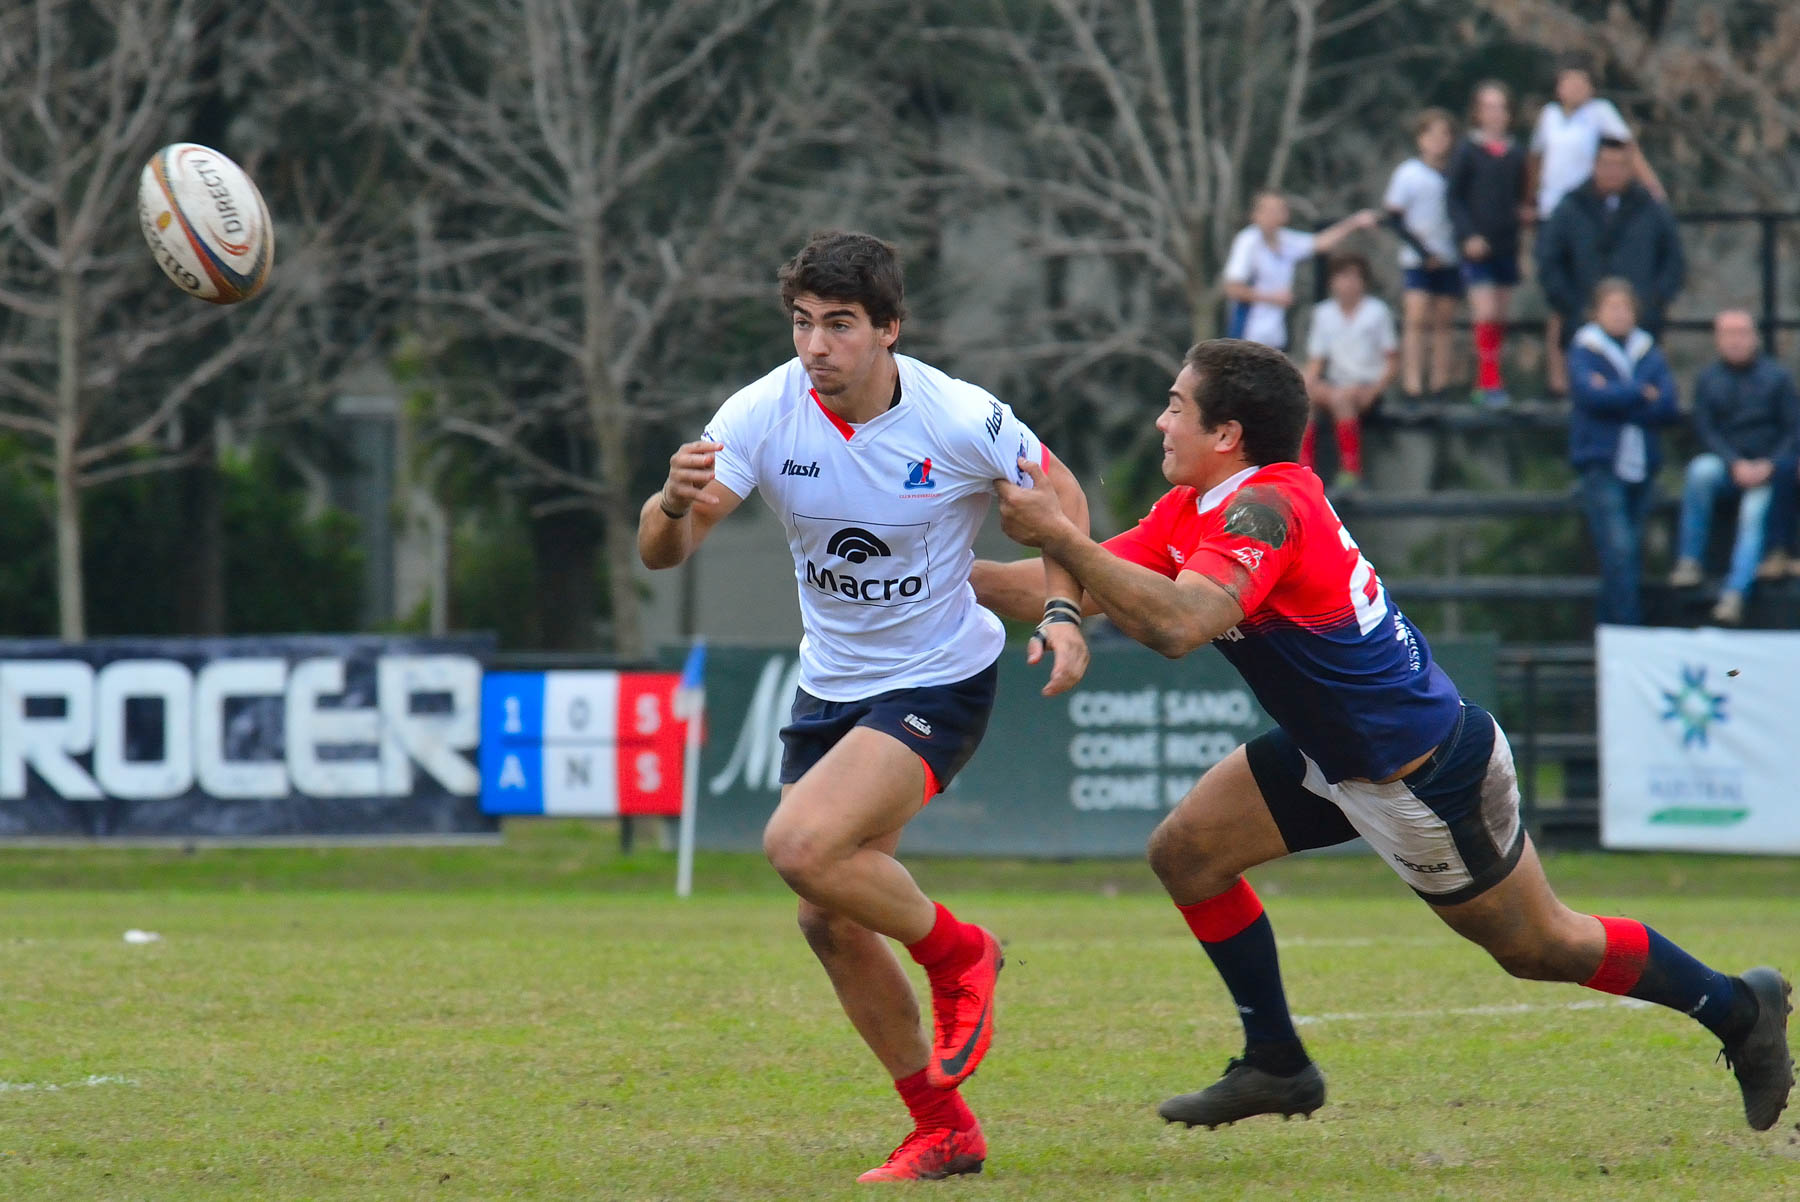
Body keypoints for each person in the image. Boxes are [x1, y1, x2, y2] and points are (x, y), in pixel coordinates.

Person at [970, 337, 1793, 1138]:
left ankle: (1737, 1007)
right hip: (1337, 755)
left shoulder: (1268, 508)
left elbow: (1182, 622)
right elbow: (1079, 585)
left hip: (1422, 775)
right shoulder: (1196, 506)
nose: (1160, 423)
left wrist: (1061, 535)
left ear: (1227, 435)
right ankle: (1277, 1062)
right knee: (1186, 852)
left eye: (1175, 407)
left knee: (1540, 945)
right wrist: (918, 577)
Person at [638, 232, 1092, 1183]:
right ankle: (944, 1127)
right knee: (826, 917)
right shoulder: (762, 413)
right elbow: (661, 554)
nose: (816, 347)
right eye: (803, 324)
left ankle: (963, 953)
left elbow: (1064, 500)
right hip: (828, 688)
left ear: (889, 329)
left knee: (800, 846)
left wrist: (1059, 609)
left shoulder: (960, 418)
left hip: (939, 680)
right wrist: (672, 506)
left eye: (839, 326)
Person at [1529, 53, 1666, 394]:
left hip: (1589, 209)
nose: (1574, 88)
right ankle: (1558, 375)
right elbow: (1536, 159)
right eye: (1568, 81)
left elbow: (1627, 150)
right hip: (1555, 209)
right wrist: (1528, 199)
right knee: (1558, 299)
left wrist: (1652, 187)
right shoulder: (1548, 116)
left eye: (1581, 81)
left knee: (1597, 292)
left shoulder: (1601, 113)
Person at [1668, 310, 1800, 625]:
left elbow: (1792, 429)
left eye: (1742, 332)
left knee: (1754, 513)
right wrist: (1733, 463)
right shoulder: (1709, 379)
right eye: (1729, 333)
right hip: (1727, 464)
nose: (1736, 340)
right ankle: (1689, 561)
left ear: (1754, 336)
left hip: (1768, 469)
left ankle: (1735, 592)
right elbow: (1705, 429)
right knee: (1700, 472)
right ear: (1718, 339)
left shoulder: (1777, 378)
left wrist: (1769, 465)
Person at [1568, 279, 1679, 627]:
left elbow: (1667, 404)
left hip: (1642, 464)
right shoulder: (1585, 349)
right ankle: (1623, 630)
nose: (1619, 314)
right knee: (1618, 552)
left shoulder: (1648, 351)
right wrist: (1638, 393)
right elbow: (1590, 396)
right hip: (1603, 463)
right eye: (1611, 308)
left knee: (1632, 554)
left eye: (1625, 308)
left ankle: (1617, 633)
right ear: (1597, 313)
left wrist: (1617, 395)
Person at [1537, 138, 1685, 348]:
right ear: (1594, 165)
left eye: (1621, 165)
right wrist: (1572, 307)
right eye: (1607, 164)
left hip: (1643, 329)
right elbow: (1549, 261)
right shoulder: (1570, 208)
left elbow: (1673, 259)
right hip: (1582, 328)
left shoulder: (1651, 209)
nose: (1613, 171)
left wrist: (1653, 303)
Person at [1447, 81, 1530, 407]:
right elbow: (1454, 198)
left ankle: (1496, 378)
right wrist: (1468, 235)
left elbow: (1522, 195)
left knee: (1501, 315)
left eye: (1501, 107)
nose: (1495, 114)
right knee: (1485, 311)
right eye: (1488, 107)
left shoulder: (1516, 152)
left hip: (1506, 243)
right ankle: (1486, 379)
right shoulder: (1468, 150)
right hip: (1476, 244)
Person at [1222, 192, 1378, 351]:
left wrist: (1354, 222)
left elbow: (1321, 243)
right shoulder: (1248, 242)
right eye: (1269, 210)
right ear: (1255, 215)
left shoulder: (1285, 240)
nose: (1274, 215)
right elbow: (1233, 288)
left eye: (1279, 209)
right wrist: (1272, 297)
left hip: (1275, 335)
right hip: (1247, 334)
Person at [1300, 253, 1397, 489]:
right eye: (1342, 277)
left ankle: (1351, 470)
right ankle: (1303, 469)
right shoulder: (1323, 313)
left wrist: (1374, 390)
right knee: (1306, 397)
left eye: (1354, 277)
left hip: (1366, 386)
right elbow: (1317, 360)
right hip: (1335, 384)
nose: (1348, 284)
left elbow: (1392, 360)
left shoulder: (1377, 312)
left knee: (1342, 398)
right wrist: (1305, 383)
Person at [1384, 108, 1462, 400]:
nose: (1438, 141)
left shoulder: (1456, 172)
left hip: (1450, 256)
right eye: (1431, 134)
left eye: (1444, 135)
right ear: (1420, 139)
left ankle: (1440, 383)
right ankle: (1413, 384)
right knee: (1416, 318)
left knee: (1444, 322)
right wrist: (1422, 250)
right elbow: (1394, 216)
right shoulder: (1408, 173)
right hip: (1417, 257)